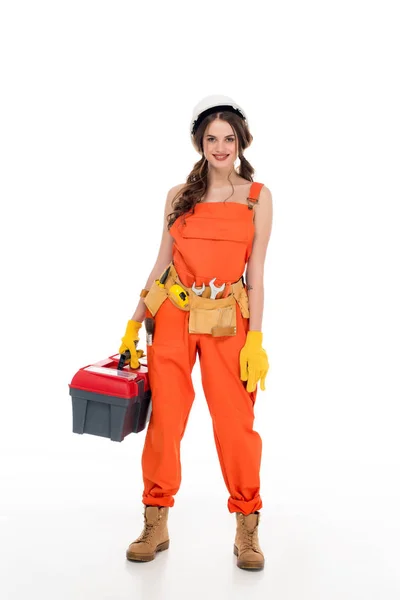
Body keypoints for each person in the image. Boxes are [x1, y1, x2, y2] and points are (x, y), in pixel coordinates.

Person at [119, 95, 273, 570]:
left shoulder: (256, 197)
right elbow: (161, 263)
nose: (221, 146)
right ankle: (156, 519)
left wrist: (256, 339)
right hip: (174, 318)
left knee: (234, 425)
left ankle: (247, 526)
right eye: (212, 138)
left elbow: (257, 275)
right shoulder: (177, 196)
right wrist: (132, 321)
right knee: (166, 418)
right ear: (199, 143)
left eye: (229, 138)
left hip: (230, 320)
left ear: (241, 142)